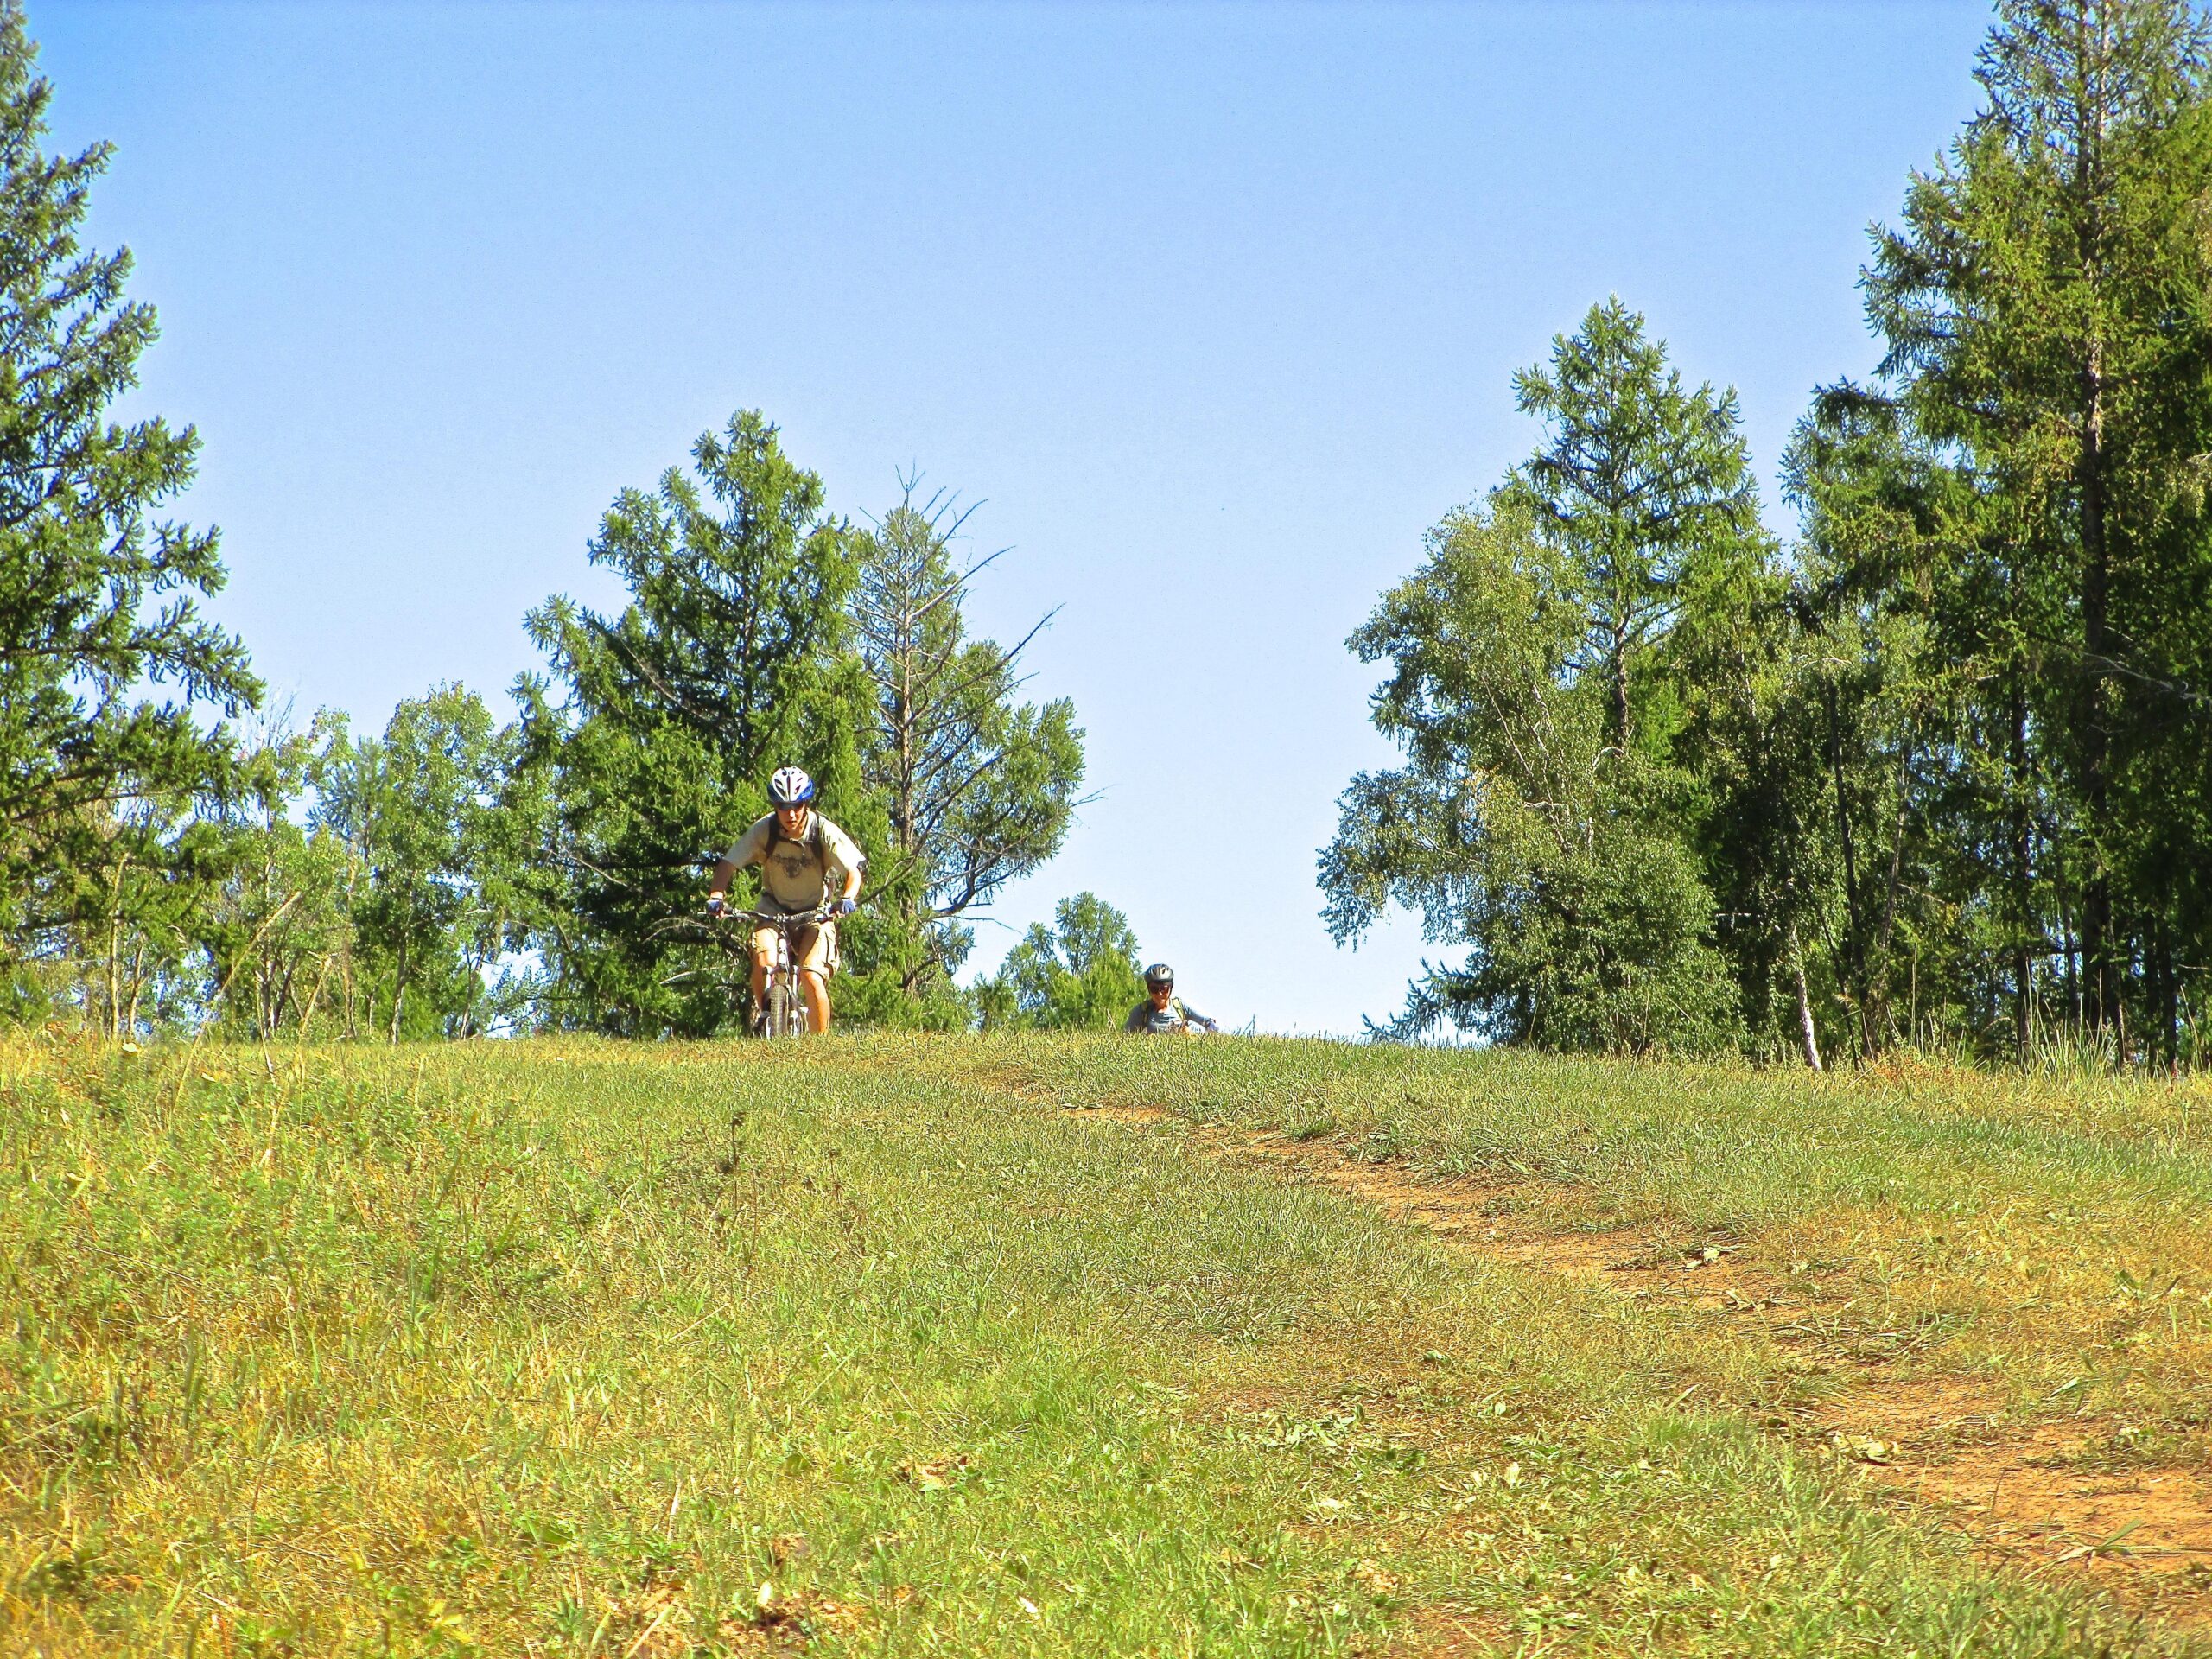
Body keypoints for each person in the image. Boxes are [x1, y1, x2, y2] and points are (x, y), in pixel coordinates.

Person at [707, 766, 865, 1034]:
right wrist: (717, 896)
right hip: (774, 908)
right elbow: (728, 864)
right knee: (762, 962)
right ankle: (768, 1015)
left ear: (806, 803)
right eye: (783, 806)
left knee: (811, 975)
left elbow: (854, 871)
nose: (790, 813)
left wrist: (847, 898)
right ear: (775, 806)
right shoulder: (765, 830)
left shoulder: (821, 830)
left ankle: (821, 1046)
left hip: (816, 913)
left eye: (797, 805)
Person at [1124, 963, 1219, 1035]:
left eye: (1164, 989)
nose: (1159, 993)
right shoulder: (1140, 1012)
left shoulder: (1179, 1005)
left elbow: (1208, 1022)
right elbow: (1125, 1039)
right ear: (1149, 989)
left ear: (1171, 988)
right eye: (1154, 989)